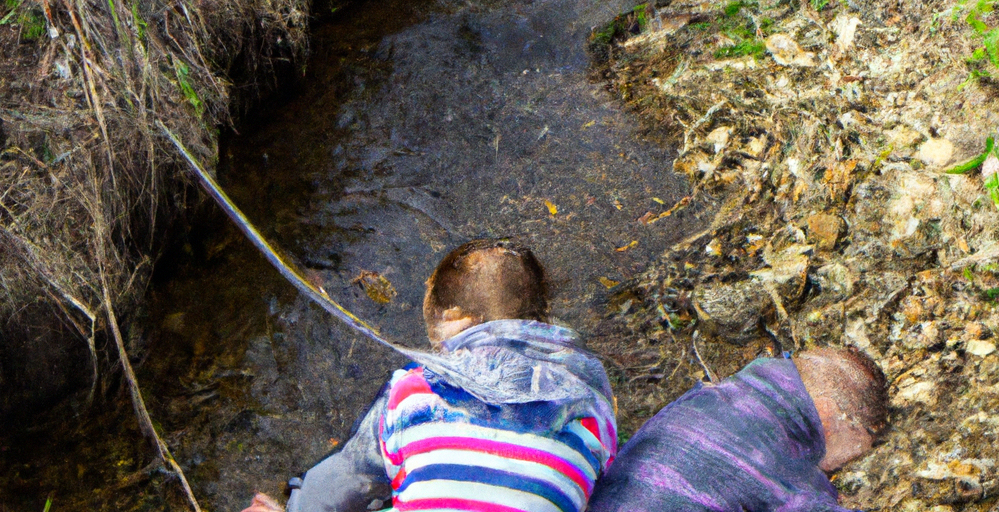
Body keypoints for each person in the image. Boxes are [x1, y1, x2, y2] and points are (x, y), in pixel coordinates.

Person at [244, 239, 618, 512]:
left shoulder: (414, 392)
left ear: (458, 324)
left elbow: (346, 482)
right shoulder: (589, 401)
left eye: (436, 340)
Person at [587, 346, 889, 512]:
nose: (847, 461)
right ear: (827, 411)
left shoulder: (714, 400)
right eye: (860, 443)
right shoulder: (765, 451)